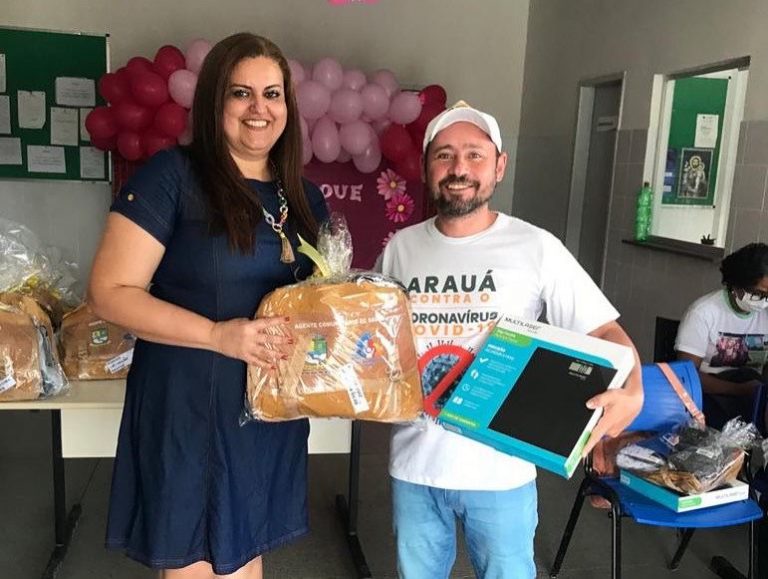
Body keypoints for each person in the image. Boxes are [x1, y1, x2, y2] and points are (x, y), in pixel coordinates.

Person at [88, 33, 328, 578]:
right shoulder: (173, 177)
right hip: (191, 404)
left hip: (267, 409)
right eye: (241, 93)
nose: (259, 108)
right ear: (214, 101)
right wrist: (219, 336)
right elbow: (109, 293)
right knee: (197, 557)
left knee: (245, 549)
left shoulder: (303, 196)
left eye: (272, 94)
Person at [377, 101, 643, 579]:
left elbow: (604, 331)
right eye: (444, 155)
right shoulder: (401, 247)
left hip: (500, 470)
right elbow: (376, 335)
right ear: (425, 166)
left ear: (499, 166)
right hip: (415, 463)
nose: (459, 168)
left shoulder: (535, 247)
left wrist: (635, 391)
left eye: (475, 155)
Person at [676, 242, 768, 431]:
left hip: (754, 396)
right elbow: (685, 376)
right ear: (736, 284)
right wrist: (739, 390)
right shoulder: (703, 313)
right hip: (709, 397)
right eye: (758, 294)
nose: (763, 302)